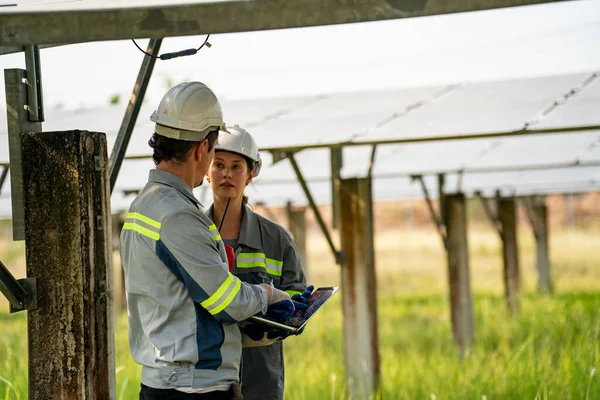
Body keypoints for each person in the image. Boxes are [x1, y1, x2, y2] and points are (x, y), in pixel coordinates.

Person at [120, 82, 296, 400]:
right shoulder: (178, 215)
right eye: (215, 154)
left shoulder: (145, 203)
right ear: (202, 149)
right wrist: (269, 294)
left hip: (165, 381)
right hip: (193, 386)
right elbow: (228, 302)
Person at [206, 125, 310, 400]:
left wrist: (294, 310)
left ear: (251, 174)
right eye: (218, 164)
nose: (227, 173)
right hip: (206, 378)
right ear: (206, 171)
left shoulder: (277, 240)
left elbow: (296, 296)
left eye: (237, 166)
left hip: (261, 380)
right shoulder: (191, 235)